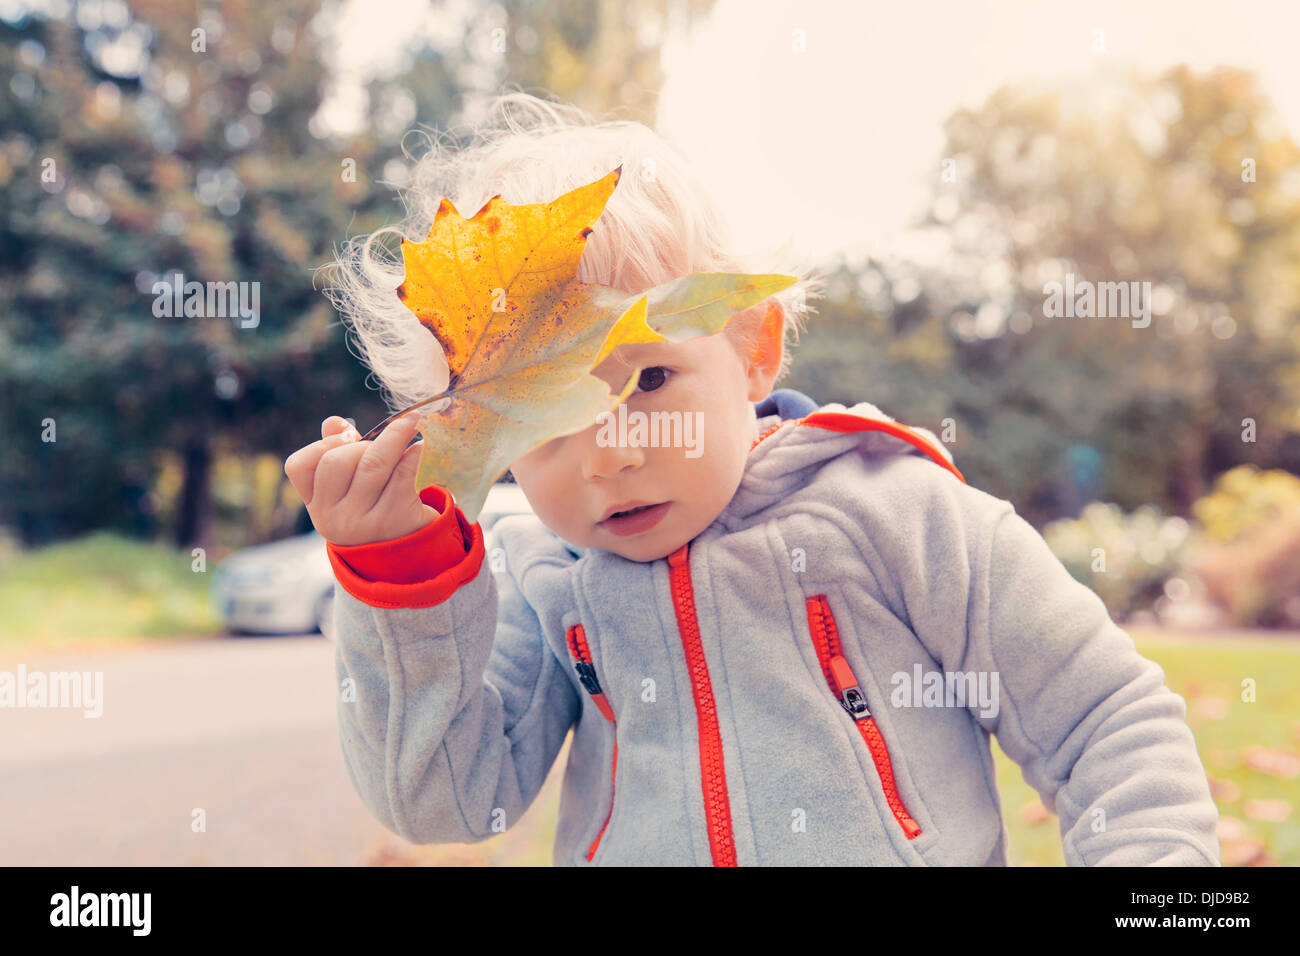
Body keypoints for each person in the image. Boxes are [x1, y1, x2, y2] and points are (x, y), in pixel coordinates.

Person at [284, 91, 1220, 866]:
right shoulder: (543, 582)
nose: (609, 454)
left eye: (649, 379)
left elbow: (1104, 718)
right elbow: (447, 805)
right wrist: (401, 583)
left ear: (754, 349)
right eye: (546, 419)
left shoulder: (898, 513)